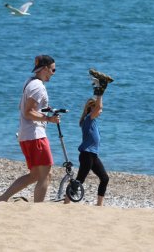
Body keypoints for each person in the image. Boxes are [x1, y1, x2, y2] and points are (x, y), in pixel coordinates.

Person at [0, 55, 59, 203]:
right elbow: (28, 112)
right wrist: (48, 119)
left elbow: (25, 108)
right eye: (53, 70)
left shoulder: (30, 82)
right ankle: (37, 208)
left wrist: (45, 112)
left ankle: (2, 199)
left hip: (26, 134)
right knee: (46, 175)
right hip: (35, 135)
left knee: (35, 174)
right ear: (45, 69)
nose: (53, 73)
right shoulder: (38, 87)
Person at [65, 68, 114, 206]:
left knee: (104, 178)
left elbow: (99, 108)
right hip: (87, 155)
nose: (101, 110)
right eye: (97, 108)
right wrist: (100, 93)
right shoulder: (88, 119)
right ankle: (66, 202)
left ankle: (99, 205)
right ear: (90, 109)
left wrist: (100, 92)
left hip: (93, 155)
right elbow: (99, 107)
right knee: (80, 180)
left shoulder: (92, 121)